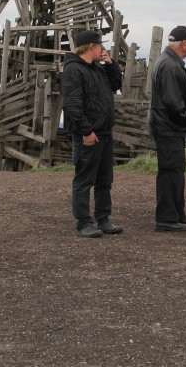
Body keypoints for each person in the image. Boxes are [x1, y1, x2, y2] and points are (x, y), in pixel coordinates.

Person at [62, 29, 124, 238]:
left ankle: (103, 219)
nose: (102, 49)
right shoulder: (73, 70)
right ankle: (83, 222)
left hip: (104, 131)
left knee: (104, 180)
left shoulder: (97, 69)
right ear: (91, 46)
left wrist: (111, 64)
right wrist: (86, 131)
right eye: (100, 46)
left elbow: (115, 84)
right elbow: (72, 104)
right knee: (84, 179)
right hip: (88, 134)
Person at [149, 25, 186, 233]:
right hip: (168, 127)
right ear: (184, 43)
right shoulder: (171, 65)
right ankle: (166, 218)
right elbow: (173, 102)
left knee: (176, 171)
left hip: (167, 127)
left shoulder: (167, 61)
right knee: (171, 172)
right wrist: (184, 119)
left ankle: (177, 214)